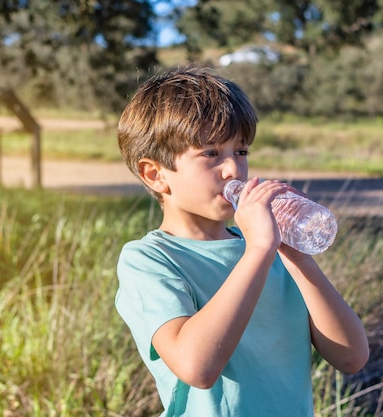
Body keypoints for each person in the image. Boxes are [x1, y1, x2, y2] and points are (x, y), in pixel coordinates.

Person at [115, 64, 369, 417]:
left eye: (241, 151)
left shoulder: (271, 251)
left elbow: (352, 357)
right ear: (155, 174)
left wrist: (297, 256)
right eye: (210, 154)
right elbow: (197, 368)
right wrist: (259, 250)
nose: (233, 169)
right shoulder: (149, 259)